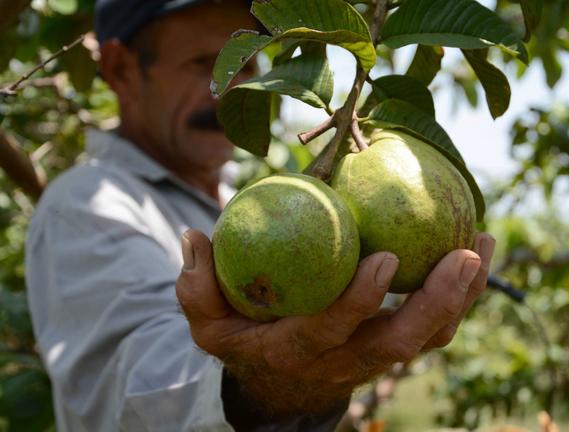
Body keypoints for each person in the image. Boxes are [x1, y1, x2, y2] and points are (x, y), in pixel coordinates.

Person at [25, 0, 496, 430]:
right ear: (121, 69)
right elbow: (130, 385)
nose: (231, 88)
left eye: (245, 61)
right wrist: (260, 387)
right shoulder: (86, 203)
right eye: (201, 65)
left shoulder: (257, 199)